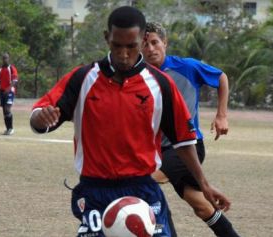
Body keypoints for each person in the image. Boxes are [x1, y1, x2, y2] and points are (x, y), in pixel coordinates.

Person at [30, 6, 230, 237]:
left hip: (144, 189)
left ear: (142, 39)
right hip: (95, 191)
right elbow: (40, 118)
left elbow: (184, 140)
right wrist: (41, 118)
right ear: (107, 38)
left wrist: (204, 184)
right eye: (117, 46)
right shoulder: (82, 78)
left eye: (131, 46)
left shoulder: (161, 84)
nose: (124, 54)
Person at [142, 22, 240, 237]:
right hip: (158, 150)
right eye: (144, 44)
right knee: (202, 207)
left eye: (154, 42)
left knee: (143, 183)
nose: (150, 49)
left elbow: (221, 77)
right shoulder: (139, 76)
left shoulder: (186, 67)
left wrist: (221, 115)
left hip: (188, 147)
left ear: (165, 43)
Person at [0, 53, 18, 135]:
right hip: (2, 91)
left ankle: (11, 129)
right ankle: (7, 129)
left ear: (9, 59)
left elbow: (14, 81)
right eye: (4, 58)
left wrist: (9, 89)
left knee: (7, 109)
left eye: (6, 58)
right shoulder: (0, 70)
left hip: (10, 91)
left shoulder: (12, 68)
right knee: (4, 111)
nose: (5, 60)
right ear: (2, 59)